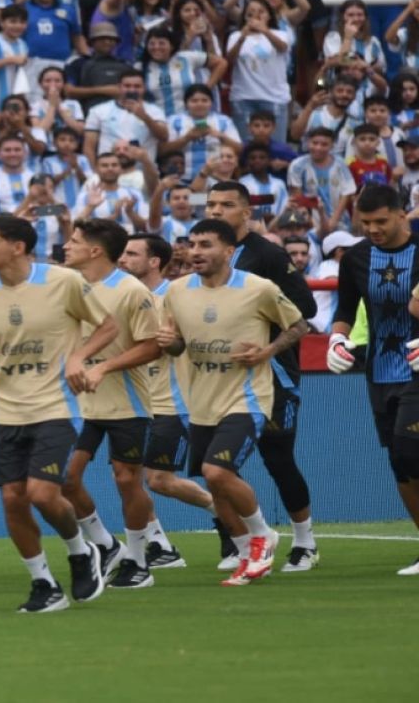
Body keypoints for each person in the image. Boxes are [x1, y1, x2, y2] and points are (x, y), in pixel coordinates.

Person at [0, 215, 121, 613]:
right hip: (5, 407)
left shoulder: (63, 281)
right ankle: (44, 583)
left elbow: (108, 326)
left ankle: (81, 552)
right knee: (12, 498)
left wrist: (78, 356)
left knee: (42, 493)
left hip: (55, 405)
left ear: (18, 247)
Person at [160, 218, 308, 585]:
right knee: (216, 484)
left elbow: (299, 325)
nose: (195, 252)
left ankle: (262, 536)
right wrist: (171, 342)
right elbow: (178, 342)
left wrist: (268, 350)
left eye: (205, 245)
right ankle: (247, 553)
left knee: (217, 471)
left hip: (247, 397)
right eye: (192, 244)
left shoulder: (258, 288)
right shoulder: (176, 291)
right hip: (201, 401)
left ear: (228, 251)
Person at [203, 180, 318, 569]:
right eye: (212, 204)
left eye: (226, 205)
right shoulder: (202, 254)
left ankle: (305, 542)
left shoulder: (266, 255)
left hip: (272, 375)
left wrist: (264, 344)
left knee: (278, 458)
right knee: (214, 463)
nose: (216, 211)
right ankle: (237, 542)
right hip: (214, 378)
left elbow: (305, 308)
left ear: (246, 212)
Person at [58, 219, 165, 590]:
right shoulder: (67, 285)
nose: (65, 247)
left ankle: (138, 559)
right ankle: (105, 545)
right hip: (79, 404)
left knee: (126, 479)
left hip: (126, 402)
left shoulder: (131, 291)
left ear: (95, 250)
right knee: (64, 477)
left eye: (72, 241)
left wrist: (104, 366)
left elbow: (153, 344)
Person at [324, 184, 419, 574]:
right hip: (380, 371)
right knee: (400, 460)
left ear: (401, 214)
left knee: (409, 444)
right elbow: (346, 307)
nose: (373, 229)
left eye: (381, 221)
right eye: (365, 223)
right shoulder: (357, 258)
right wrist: (337, 338)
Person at [118, 231, 223, 568]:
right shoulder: (120, 297)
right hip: (132, 402)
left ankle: (230, 517)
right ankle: (160, 547)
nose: (123, 259)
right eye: (122, 253)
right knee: (127, 478)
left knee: (159, 480)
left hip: (171, 400)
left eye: (132, 254)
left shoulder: (177, 295)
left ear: (154, 262)